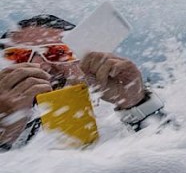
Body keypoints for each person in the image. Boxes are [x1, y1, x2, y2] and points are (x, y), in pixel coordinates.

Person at [0, 15, 167, 150]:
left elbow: (171, 157)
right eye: (17, 56)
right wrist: (3, 131)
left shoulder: (111, 115)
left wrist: (135, 103)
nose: (40, 65)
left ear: (85, 61)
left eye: (58, 53)